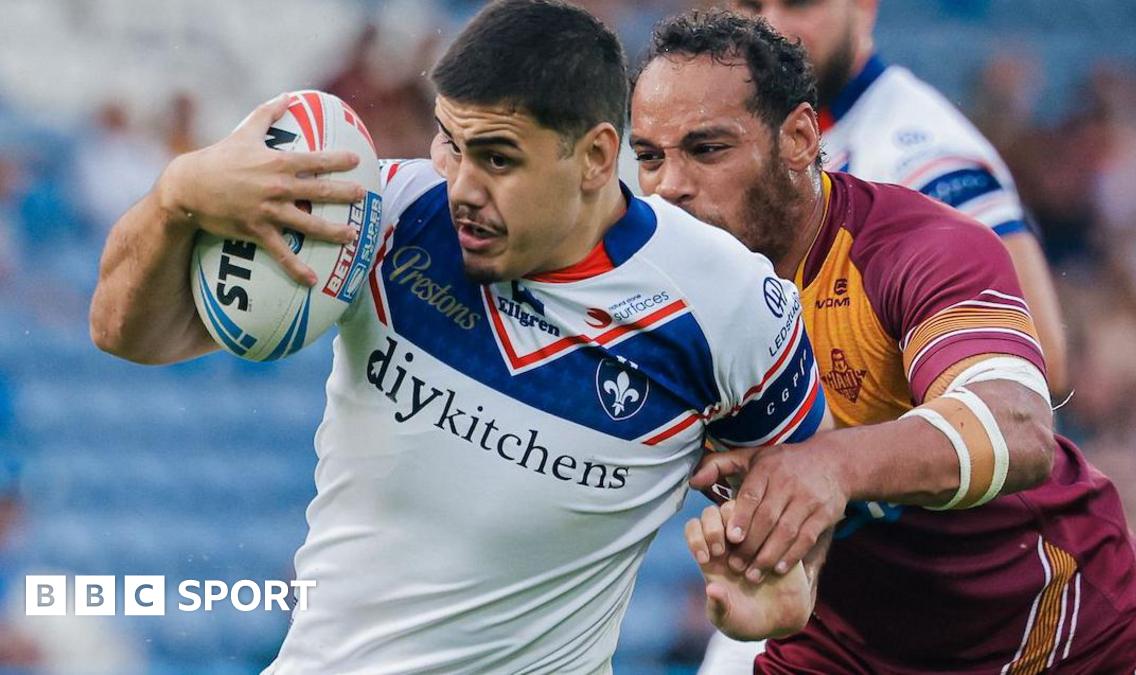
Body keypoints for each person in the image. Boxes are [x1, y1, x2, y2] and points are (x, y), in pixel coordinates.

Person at [88, 1, 830, 672]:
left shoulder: (728, 304)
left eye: (498, 157)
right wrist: (175, 197)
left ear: (597, 156)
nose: (463, 186)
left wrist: (785, 585)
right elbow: (126, 333)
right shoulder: (382, 215)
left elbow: (803, 484)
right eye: (451, 143)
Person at [627, 10, 1136, 673]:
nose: (669, 186)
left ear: (801, 138)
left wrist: (831, 464)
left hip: (1065, 642)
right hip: (848, 648)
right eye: (649, 158)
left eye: (707, 150)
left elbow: (1019, 423)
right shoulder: (652, 301)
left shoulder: (916, 226)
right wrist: (777, 569)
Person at [731, 0, 1070, 396]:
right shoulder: (789, 133)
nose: (771, 26)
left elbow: (1033, 360)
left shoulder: (922, 159)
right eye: (750, 5)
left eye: (800, 3)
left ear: (863, 8)